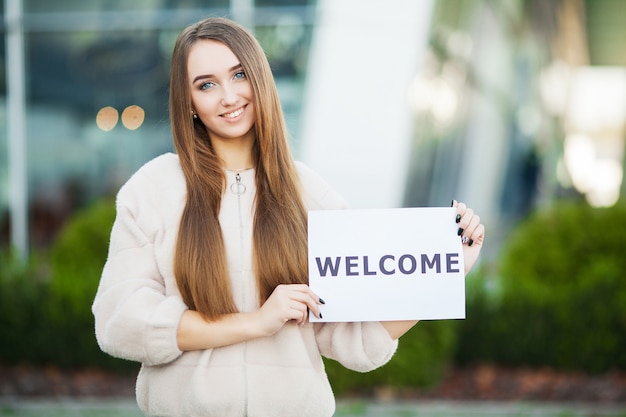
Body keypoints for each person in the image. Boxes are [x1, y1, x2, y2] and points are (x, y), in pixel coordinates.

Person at [92, 17, 485, 417]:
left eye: (239, 75)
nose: (228, 96)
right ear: (188, 102)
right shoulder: (153, 190)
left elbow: (356, 337)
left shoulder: (309, 193)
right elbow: (121, 321)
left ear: (260, 80)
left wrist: (444, 272)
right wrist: (255, 323)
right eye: (206, 84)